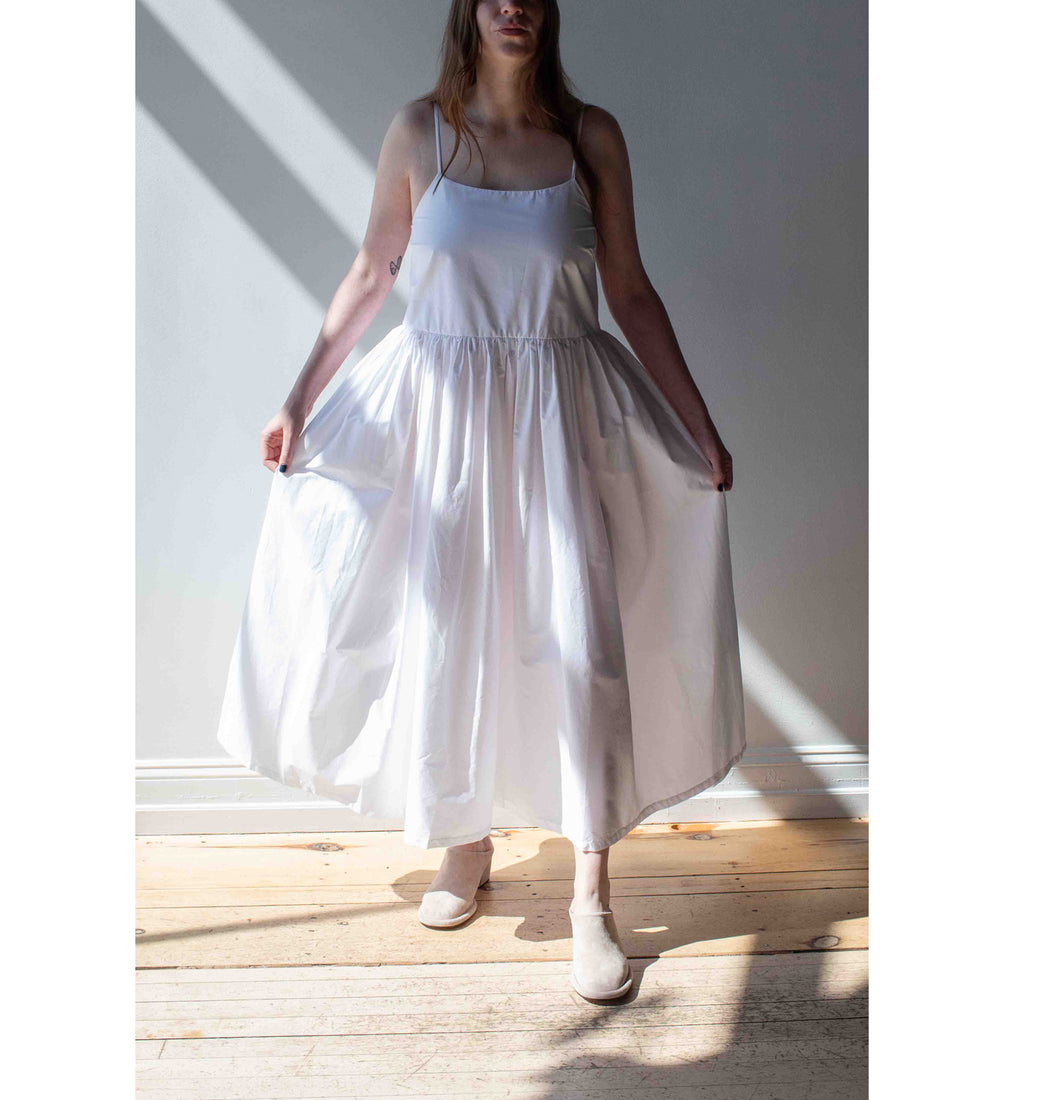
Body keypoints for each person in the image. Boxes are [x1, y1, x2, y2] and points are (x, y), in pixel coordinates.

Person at [217, 0, 746, 1002]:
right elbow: (372, 270)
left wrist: (700, 425)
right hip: (446, 427)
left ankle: (590, 887)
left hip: (558, 422)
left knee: (581, 646)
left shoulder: (590, 140)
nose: (516, 6)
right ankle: (465, 838)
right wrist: (298, 397)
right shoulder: (420, 131)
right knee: (453, 630)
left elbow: (629, 291)